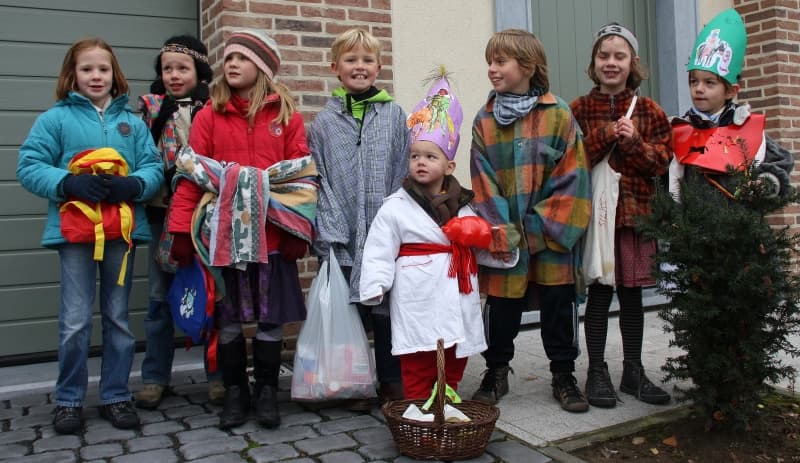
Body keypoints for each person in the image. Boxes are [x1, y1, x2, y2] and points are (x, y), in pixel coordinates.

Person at [168, 29, 317, 430]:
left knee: (270, 318)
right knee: (228, 316)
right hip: (223, 240)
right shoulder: (208, 117)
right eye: (229, 58)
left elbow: (302, 181)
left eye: (242, 58)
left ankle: (267, 389)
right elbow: (191, 174)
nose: (232, 64)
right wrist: (182, 231)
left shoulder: (287, 118)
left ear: (263, 68)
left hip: (271, 236)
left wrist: (294, 233)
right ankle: (236, 390)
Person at [16, 37, 163, 434]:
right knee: (76, 320)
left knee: (117, 317)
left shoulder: (132, 123)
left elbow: (153, 167)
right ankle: (68, 400)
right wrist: (68, 183)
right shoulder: (55, 119)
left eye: (102, 69)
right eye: (87, 69)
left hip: (121, 234)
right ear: (72, 75)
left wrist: (133, 186)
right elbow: (28, 165)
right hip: (75, 235)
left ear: (114, 74)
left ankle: (116, 395)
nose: (95, 76)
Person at [359, 69, 517, 399]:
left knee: (454, 357)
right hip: (417, 292)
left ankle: (447, 405)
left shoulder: (464, 205)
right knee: (417, 359)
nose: (420, 162)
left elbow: (479, 245)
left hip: (456, 292)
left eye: (430, 156)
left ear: (449, 166)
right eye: (415, 155)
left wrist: (496, 246)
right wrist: (375, 283)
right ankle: (419, 410)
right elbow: (379, 248)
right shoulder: (395, 206)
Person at [469, 29, 592, 413]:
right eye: (490, 61)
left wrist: (537, 229)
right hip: (505, 234)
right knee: (503, 304)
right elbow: (482, 180)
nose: (491, 68)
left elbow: (573, 177)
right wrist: (504, 230)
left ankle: (563, 373)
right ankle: (496, 370)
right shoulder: (485, 120)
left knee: (559, 301)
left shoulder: (558, 115)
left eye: (500, 61)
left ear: (527, 66)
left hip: (550, 234)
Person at [569, 23, 673, 408]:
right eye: (603, 56)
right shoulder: (577, 109)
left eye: (619, 56)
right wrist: (606, 134)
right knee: (597, 294)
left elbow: (662, 163)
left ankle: (633, 371)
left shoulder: (649, 110)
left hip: (635, 219)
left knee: (631, 296)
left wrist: (635, 143)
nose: (611, 63)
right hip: (596, 220)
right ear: (593, 63)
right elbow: (572, 161)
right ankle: (596, 371)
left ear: (633, 63)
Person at [308, 28, 409, 408]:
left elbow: (403, 167)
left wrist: (397, 221)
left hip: (385, 229)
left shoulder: (395, 115)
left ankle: (391, 380)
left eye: (367, 60)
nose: (360, 67)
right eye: (351, 60)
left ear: (379, 66)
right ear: (335, 67)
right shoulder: (324, 124)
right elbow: (321, 177)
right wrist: (331, 229)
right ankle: (352, 381)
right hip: (343, 231)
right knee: (350, 312)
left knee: (384, 308)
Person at [134, 35, 224, 410]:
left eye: (182, 68)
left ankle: (218, 375)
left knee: (212, 294)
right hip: (163, 215)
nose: (174, 75)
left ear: (198, 72)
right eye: (167, 68)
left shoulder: (212, 109)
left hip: (205, 214)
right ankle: (155, 376)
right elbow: (140, 153)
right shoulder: (150, 110)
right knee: (159, 298)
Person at [669, 8, 793, 201]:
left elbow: (781, 161)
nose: (699, 89)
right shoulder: (682, 128)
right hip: (694, 227)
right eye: (694, 81)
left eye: (709, 82)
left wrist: (765, 182)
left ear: (730, 91)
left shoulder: (745, 127)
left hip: (740, 226)